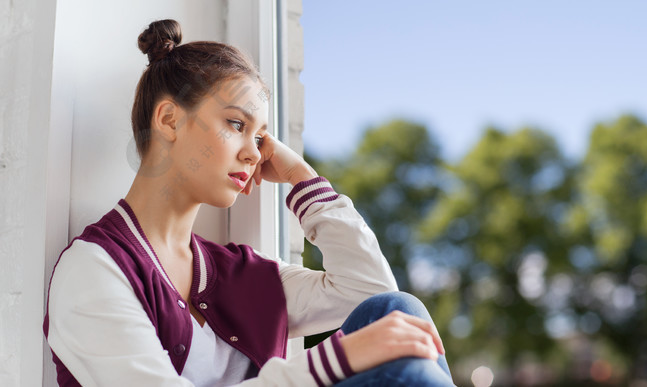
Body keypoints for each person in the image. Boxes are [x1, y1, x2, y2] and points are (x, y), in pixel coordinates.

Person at [42, 19, 454, 387]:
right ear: (169, 119)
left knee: (397, 307)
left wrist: (301, 178)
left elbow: (369, 291)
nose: (254, 154)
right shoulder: (94, 269)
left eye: (260, 139)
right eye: (236, 125)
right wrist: (329, 363)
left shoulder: (239, 273)